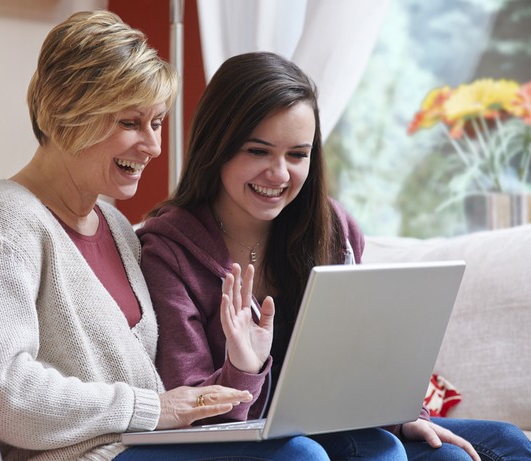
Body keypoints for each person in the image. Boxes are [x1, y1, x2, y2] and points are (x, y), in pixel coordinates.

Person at [0, 12, 372, 461]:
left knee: (395, 449)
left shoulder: (120, 229)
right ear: (66, 113)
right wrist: (153, 408)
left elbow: (175, 398)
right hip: (91, 456)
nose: (154, 146)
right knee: (298, 457)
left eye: (158, 123)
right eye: (131, 123)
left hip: (154, 445)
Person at [137, 51, 531, 461]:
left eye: (297, 154)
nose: (279, 174)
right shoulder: (168, 250)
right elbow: (194, 416)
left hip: (328, 428)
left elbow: (362, 355)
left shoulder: (332, 227)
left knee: (504, 442)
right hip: (243, 441)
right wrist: (243, 368)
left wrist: (400, 414)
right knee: (371, 451)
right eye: (258, 151)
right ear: (217, 145)